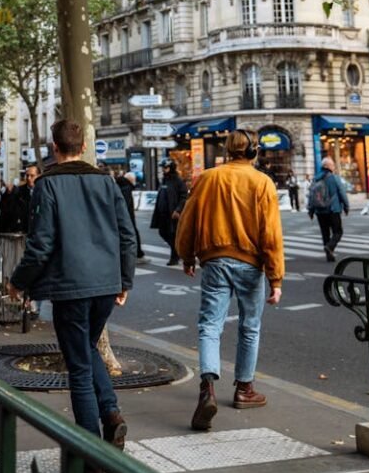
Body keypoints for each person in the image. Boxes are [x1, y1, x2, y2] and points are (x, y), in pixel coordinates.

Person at [8, 119, 137, 473]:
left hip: (69, 286)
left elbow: (41, 244)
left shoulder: (47, 186)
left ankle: (91, 458)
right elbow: (127, 235)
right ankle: (111, 413)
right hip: (105, 286)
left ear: (54, 145)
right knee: (88, 349)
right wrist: (124, 280)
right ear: (83, 146)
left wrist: (18, 283)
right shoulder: (106, 182)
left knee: (78, 365)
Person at [175, 129, 284, 431]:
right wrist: (276, 278)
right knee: (250, 326)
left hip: (215, 260)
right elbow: (271, 235)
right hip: (251, 264)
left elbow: (187, 221)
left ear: (227, 150)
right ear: (253, 152)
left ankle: (208, 385)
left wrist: (186, 256)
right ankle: (244, 389)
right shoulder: (262, 182)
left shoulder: (208, 178)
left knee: (210, 325)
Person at [308, 157, 349, 262]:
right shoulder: (334, 178)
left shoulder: (316, 178)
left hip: (320, 211)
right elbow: (342, 192)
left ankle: (329, 254)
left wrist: (311, 210)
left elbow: (311, 195)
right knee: (338, 231)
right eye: (332, 165)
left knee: (325, 233)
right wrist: (346, 206)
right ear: (327, 166)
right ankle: (330, 247)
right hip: (333, 209)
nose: (333, 166)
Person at [150, 159, 188, 265]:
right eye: (162, 167)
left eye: (165, 167)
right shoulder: (164, 180)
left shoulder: (178, 181)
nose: (163, 169)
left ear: (171, 168)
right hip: (162, 213)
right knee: (162, 232)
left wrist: (178, 210)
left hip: (172, 214)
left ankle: (175, 256)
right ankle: (177, 251)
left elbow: (184, 197)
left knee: (172, 235)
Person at [114, 168, 144, 259]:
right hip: (127, 216)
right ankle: (137, 252)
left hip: (126, 215)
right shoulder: (127, 188)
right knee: (131, 233)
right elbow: (125, 204)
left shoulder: (121, 186)